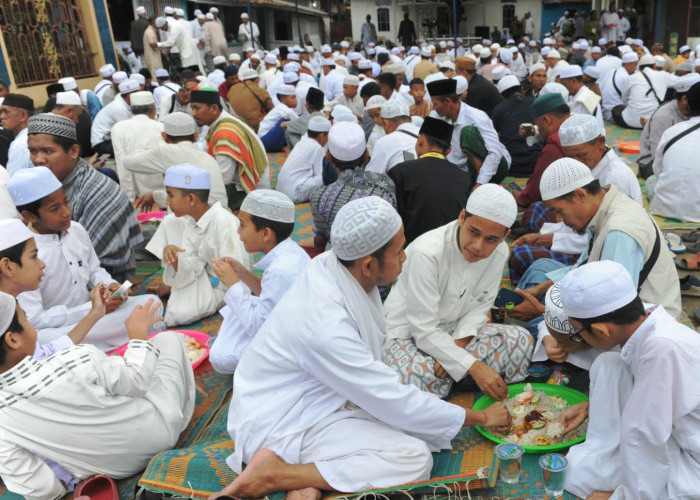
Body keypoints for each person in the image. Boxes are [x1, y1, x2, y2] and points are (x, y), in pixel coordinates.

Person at [210, 196, 511, 500]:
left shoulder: (334, 266)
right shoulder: (325, 324)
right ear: (368, 265)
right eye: (398, 252)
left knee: (418, 420)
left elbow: (381, 385)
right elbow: (391, 394)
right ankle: (276, 474)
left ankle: (305, 477)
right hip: (285, 417)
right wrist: (479, 417)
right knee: (415, 457)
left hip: (323, 397)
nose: (405, 257)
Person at [0, 290, 195, 498]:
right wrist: (138, 334)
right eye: (26, 319)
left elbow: (41, 487)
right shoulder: (75, 358)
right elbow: (136, 380)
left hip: (111, 470)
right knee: (167, 341)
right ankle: (174, 416)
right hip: (158, 435)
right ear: (12, 339)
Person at [557, 260, 700, 500]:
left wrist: (620, 497)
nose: (577, 339)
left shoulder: (662, 350)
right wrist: (592, 405)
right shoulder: (647, 318)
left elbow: (644, 436)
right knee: (609, 364)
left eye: (577, 332)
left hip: (693, 460)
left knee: (575, 475)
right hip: (677, 431)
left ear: (602, 330)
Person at [383, 184, 533, 400]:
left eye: (491, 239)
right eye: (474, 232)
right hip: (409, 335)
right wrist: (470, 365)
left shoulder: (499, 252)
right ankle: (462, 378)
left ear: (505, 236)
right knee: (410, 375)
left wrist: (455, 350)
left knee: (522, 340)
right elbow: (423, 329)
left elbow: (480, 307)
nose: (478, 247)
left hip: (458, 333)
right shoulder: (429, 252)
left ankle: (450, 382)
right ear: (462, 217)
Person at [7, 167, 164, 351]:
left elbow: (95, 270)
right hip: (61, 329)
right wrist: (92, 310)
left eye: (66, 202)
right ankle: (123, 340)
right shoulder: (25, 253)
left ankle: (103, 346)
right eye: (55, 208)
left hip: (96, 317)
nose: (66, 212)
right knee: (40, 341)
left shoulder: (76, 230)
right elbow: (35, 318)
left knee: (152, 304)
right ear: (30, 216)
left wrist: (111, 286)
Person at [511, 157, 681, 324]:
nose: (560, 219)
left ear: (580, 195)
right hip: (609, 303)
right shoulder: (605, 205)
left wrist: (543, 311)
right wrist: (540, 290)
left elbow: (613, 309)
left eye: (560, 211)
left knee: (541, 325)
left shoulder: (618, 233)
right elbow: (583, 265)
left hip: (643, 322)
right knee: (540, 268)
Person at [27, 114, 142, 281]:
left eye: (47, 151)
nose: (38, 160)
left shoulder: (97, 192)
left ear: (73, 151)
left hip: (103, 278)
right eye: (32, 151)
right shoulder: (51, 181)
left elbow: (89, 263)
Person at [209, 190, 310, 373]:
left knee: (220, 358)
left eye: (242, 225)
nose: (238, 232)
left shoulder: (281, 270)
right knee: (238, 309)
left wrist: (233, 285)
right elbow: (271, 297)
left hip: (293, 346)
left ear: (265, 234)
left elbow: (259, 328)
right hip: (288, 325)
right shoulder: (291, 252)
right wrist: (243, 274)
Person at [146, 164, 249, 327]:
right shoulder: (192, 220)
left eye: (171, 195)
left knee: (179, 314)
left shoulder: (224, 222)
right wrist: (174, 259)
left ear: (191, 199)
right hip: (203, 277)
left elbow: (238, 278)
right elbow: (192, 262)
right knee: (170, 220)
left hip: (224, 288)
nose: (167, 201)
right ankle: (174, 289)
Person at [309, 122, 396, 250]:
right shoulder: (387, 184)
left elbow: (322, 235)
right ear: (367, 155)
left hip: (343, 261)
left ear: (328, 157)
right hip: (382, 257)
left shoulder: (319, 197)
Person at [388, 117, 470, 245]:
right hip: (449, 248)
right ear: (448, 151)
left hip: (411, 249)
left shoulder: (399, 172)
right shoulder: (465, 177)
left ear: (420, 140)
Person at [123, 112, 228, 212]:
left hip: (200, 220)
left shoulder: (165, 152)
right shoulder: (206, 157)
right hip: (222, 217)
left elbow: (128, 162)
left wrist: (157, 144)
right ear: (196, 136)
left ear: (164, 136)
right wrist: (155, 195)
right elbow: (190, 197)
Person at [190, 87, 269, 208]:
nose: (193, 113)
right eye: (192, 108)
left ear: (214, 108)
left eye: (197, 108)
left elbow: (222, 179)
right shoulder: (224, 121)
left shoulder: (225, 133)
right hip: (242, 184)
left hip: (248, 192)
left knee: (194, 203)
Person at [428, 79, 510, 185]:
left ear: (448, 102)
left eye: (435, 104)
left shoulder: (476, 117)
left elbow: (495, 153)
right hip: (461, 169)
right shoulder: (435, 116)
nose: (433, 108)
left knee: (468, 132)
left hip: (495, 166)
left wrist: (480, 183)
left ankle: (480, 184)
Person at [558, 114, 642, 204]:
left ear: (601, 142)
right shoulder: (586, 165)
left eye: (582, 155)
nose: (576, 162)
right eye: (570, 157)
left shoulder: (615, 178)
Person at [648, 82, 700, 223]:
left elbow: (657, 171)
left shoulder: (672, 132)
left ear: (687, 102)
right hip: (697, 214)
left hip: (662, 208)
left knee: (651, 180)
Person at [637, 74, 699, 179]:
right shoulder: (663, 116)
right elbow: (657, 156)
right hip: (651, 162)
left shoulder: (694, 112)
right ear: (685, 99)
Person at [515, 93, 569, 211]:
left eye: (539, 125)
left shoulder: (554, 145)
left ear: (546, 120)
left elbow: (535, 189)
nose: (540, 130)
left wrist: (521, 197)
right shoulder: (577, 125)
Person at [111, 91, 164, 202]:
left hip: (138, 197)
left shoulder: (119, 128)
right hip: (164, 194)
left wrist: (129, 199)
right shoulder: (162, 127)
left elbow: (122, 166)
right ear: (153, 109)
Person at [491, 75, 541, 178]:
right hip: (536, 161)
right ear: (522, 89)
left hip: (512, 163)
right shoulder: (535, 103)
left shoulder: (498, 109)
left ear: (502, 96)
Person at [277, 116, 330, 203]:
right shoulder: (316, 147)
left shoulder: (302, 142)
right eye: (327, 135)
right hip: (293, 194)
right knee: (327, 176)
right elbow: (321, 175)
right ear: (321, 136)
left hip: (281, 190)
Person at [617, 54, 675, 129]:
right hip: (651, 122)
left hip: (630, 122)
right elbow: (680, 82)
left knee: (616, 109)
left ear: (640, 68)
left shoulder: (632, 78)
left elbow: (624, 99)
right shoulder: (664, 75)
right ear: (654, 66)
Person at [365, 100, 420, 175]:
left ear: (387, 123)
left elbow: (372, 178)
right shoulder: (427, 135)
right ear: (410, 119)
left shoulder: (384, 143)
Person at [90, 79, 139, 156]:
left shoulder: (123, 103)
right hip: (101, 144)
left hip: (109, 140)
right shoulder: (119, 108)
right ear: (129, 96)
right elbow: (129, 132)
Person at [558, 65, 605, 137]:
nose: (563, 88)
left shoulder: (584, 98)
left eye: (564, 84)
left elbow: (574, 126)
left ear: (573, 81)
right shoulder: (579, 93)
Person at [227, 68, 275, 133]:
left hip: (237, 127)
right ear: (257, 80)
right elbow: (272, 111)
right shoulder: (261, 91)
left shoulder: (233, 88)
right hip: (256, 128)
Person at [257, 85, 298, 152]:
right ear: (283, 100)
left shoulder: (280, 107)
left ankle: (281, 147)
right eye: (293, 98)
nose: (296, 100)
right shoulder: (285, 110)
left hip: (264, 140)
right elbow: (299, 122)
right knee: (286, 122)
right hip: (265, 141)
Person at [1, 93, 34, 175]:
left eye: (6, 112)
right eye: (1, 112)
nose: (1, 117)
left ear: (23, 115)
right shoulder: (34, 135)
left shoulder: (19, 145)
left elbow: (12, 182)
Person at [602, 52, 636, 122]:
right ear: (629, 65)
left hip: (605, 111)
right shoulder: (625, 77)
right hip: (613, 114)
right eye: (635, 65)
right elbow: (628, 100)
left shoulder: (613, 70)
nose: (635, 69)